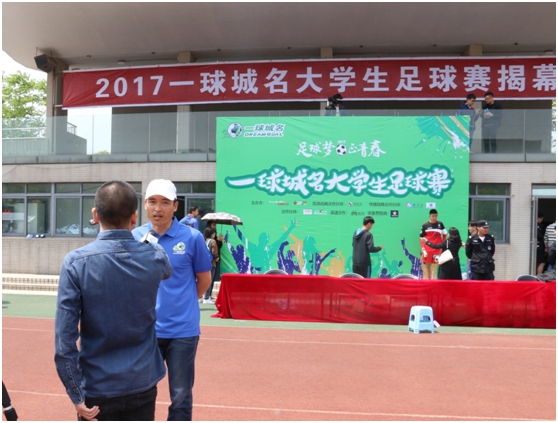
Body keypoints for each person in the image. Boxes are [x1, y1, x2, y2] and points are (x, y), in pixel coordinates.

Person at [54, 180, 172, 421]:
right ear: (134, 217)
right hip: (142, 382)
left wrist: (76, 393)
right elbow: (167, 271)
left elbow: (64, 341)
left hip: (97, 387)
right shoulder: (155, 256)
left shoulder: (75, 263)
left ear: (95, 215)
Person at [132, 179, 212, 421]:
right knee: (141, 392)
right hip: (146, 330)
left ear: (175, 206)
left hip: (182, 332)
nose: (158, 208)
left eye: (165, 202)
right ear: (145, 205)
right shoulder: (135, 237)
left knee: (180, 394)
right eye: (152, 202)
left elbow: (204, 280)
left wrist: (183, 302)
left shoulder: (192, 237)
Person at [419, 209, 447, 280]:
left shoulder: (440, 224)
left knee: (440, 264)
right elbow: (421, 238)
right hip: (428, 249)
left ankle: (439, 279)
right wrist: (423, 248)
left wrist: (442, 244)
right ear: (429, 216)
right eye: (433, 216)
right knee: (427, 265)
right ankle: (428, 279)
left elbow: (445, 234)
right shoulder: (425, 225)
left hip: (438, 249)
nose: (434, 217)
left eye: (436, 216)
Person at [201, 227, 219, 304]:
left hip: (203, 263)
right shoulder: (213, 241)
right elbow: (214, 252)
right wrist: (217, 257)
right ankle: (206, 297)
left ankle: (201, 297)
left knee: (203, 280)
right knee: (209, 280)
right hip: (211, 263)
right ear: (212, 234)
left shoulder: (204, 241)